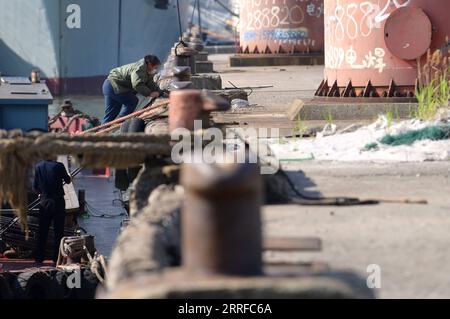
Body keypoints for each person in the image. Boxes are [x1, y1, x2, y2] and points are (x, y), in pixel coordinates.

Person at [102, 54, 162, 124]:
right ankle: (121, 123)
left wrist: (159, 91)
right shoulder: (139, 68)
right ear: (149, 63)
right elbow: (137, 84)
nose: (155, 69)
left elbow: (150, 83)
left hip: (108, 85)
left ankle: (101, 131)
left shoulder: (145, 70)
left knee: (111, 113)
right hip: (114, 86)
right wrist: (149, 93)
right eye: (154, 66)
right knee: (132, 101)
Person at [33, 158, 72, 263]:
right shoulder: (59, 166)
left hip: (44, 202)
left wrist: (42, 192)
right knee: (58, 232)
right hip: (57, 202)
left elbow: (36, 187)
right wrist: (69, 175)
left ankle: (39, 257)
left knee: (42, 231)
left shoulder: (38, 166)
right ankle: (56, 258)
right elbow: (68, 180)